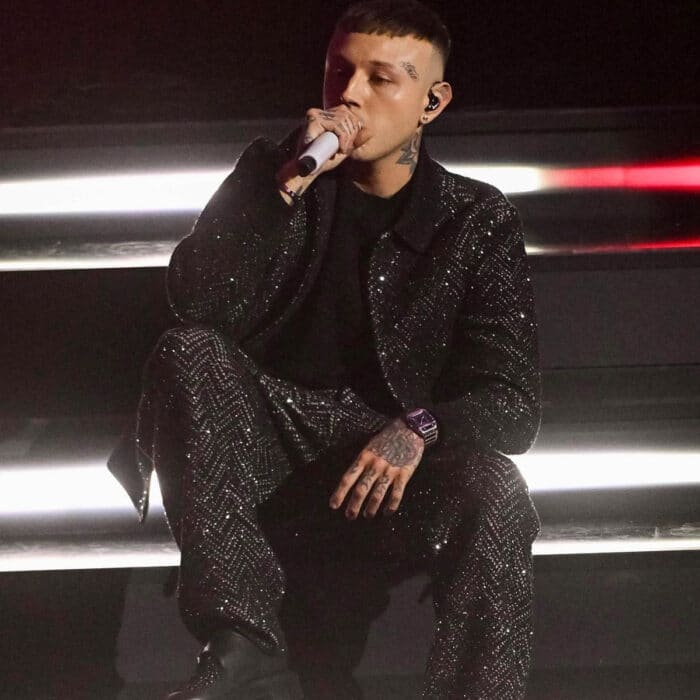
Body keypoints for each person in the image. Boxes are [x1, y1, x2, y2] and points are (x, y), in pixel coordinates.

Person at [108, 1, 542, 698]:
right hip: (267, 447)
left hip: (385, 470)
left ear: (432, 103)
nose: (350, 95)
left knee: (498, 489)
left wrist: (418, 429)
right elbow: (196, 306)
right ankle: (244, 646)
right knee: (187, 351)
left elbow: (511, 403)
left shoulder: (474, 218)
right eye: (340, 72)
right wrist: (280, 188)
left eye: (381, 79)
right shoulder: (273, 174)